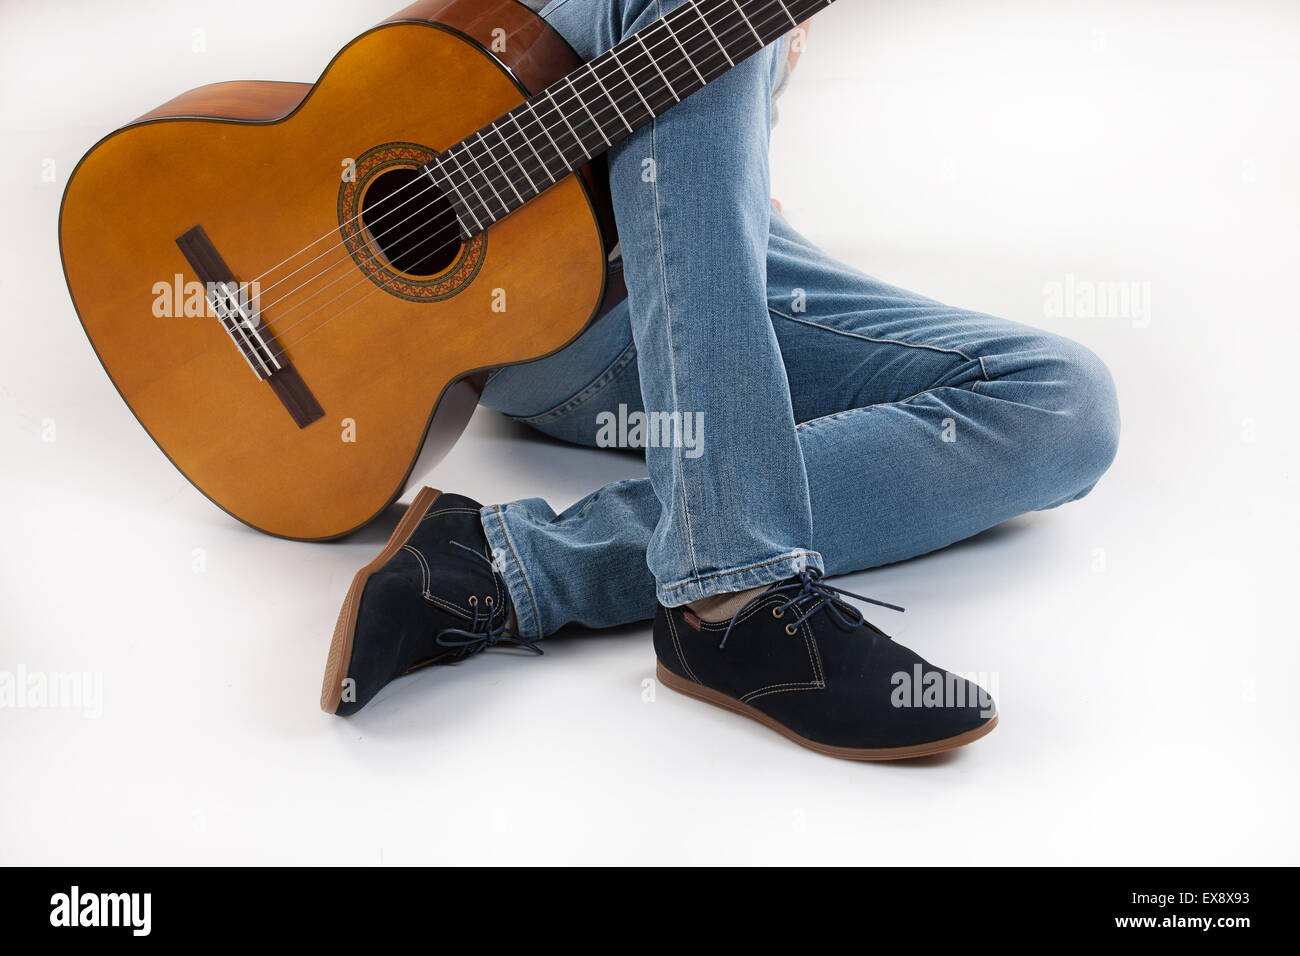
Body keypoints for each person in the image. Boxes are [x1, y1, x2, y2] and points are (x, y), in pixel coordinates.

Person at [318, 0, 1120, 760]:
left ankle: (503, 565)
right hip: (526, 294)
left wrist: (724, 172)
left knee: (1066, 401)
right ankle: (733, 600)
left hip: (693, 272)